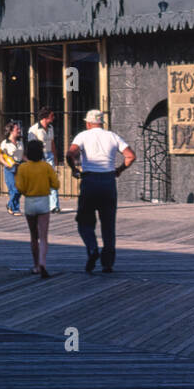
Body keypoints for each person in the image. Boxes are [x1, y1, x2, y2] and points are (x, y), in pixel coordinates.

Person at [66, 109, 136, 273]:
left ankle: (92, 248)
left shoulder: (82, 136)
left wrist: (74, 170)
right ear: (101, 122)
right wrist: (119, 170)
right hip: (108, 181)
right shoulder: (112, 136)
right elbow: (131, 156)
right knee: (108, 224)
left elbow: (70, 154)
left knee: (84, 221)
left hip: (89, 181)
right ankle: (108, 263)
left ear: (88, 123)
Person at [14, 138, 59, 278]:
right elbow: (56, 184)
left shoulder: (23, 167)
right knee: (44, 237)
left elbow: (19, 187)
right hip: (44, 201)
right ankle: (43, 263)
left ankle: (35, 266)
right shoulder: (46, 167)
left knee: (34, 236)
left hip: (30, 201)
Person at [28, 107, 60, 213]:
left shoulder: (50, 128)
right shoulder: (34, 129)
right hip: (39, 157)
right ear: (46, 117)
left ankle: (54, 206)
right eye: (52, 116)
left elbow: (52, 143)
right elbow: (32, 146)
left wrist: (55, 157)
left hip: (49, 155)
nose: (54, 118)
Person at [0, 121, 24, 214]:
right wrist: (7, 164)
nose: (19, 130)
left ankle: (10, 205)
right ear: (11, 131)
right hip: (10, 169)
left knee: (20, 189)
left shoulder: (20, 143)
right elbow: (1, 157)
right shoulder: (4, 143)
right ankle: (15, 208)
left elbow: (21, 155)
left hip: (19, 167)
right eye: (17, 129)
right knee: (14, 189)